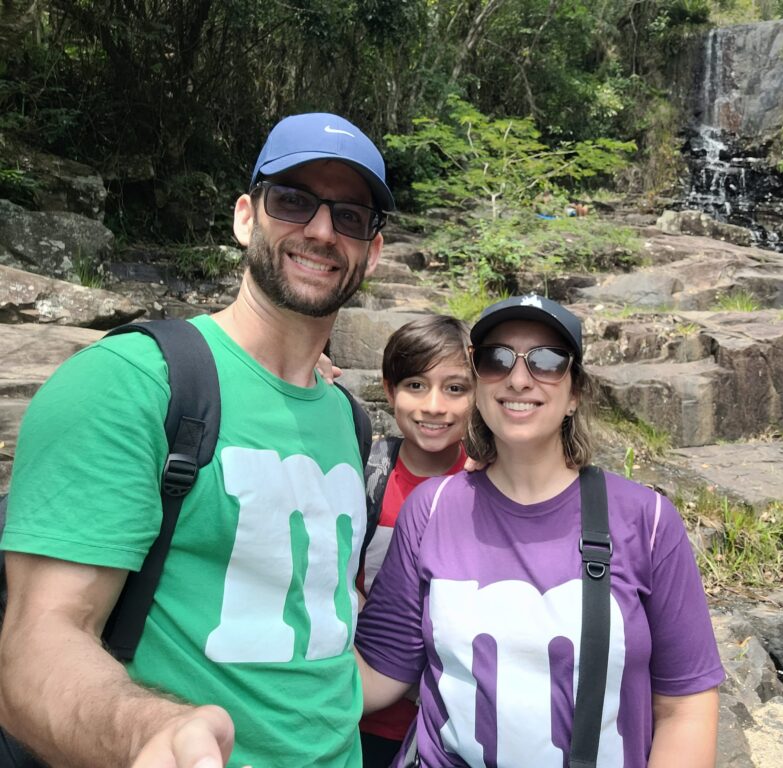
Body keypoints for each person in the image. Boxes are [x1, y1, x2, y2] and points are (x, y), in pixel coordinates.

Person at [0, 112, 393, 768]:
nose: (322, 230)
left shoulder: (349, 421)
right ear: (247, 216)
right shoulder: (131, 383)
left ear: (372, 253)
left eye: (350, 216)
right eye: (293, 200)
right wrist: (147, 731)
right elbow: (37, 643)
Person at [355, 294, 724, 767]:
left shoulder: (646, 521)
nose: (519, 377)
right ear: (480, 382)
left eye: (548, 360)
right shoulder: (432, 510)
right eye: (497, 359)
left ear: (574, 394)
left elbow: (685, 706)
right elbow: (377, 675)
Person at [358, 314, 473, 767]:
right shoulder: (362, 474)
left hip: (452, 732)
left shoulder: (490, 485)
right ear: (389, 391)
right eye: (415, 385)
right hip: (357, 718)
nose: (434, 406)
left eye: (455, 389)